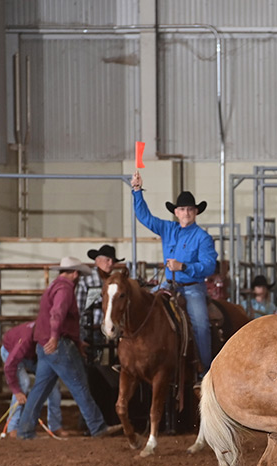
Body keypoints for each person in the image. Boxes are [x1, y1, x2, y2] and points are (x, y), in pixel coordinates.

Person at [16, 257, 119, 440]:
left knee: (40, 390)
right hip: (58, 345)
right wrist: (56, 338)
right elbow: (57, 315)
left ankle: (24, 430)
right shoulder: (65, 289)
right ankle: (98, 427)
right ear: (75, 273)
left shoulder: (55, 286)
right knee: (80, 385)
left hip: (44, 346)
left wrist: (72, 341)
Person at [130, 172, 218, 376]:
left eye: (189, 209)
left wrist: (184, 267)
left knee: (201, 325)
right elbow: (144, 217)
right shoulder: (167, 228)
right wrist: (136, 191)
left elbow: (209, 266)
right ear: (176, 212)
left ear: (195, 212)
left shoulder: (203, 238)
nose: (185, 212)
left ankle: (203, 371)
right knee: (145, 307)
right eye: (182, 209)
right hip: (168, 285)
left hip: (192, 288)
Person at [1, 321, 63, 438]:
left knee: (53, 384)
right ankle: (13, 427)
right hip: (10, 350)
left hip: (31, 354)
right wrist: (16, 391)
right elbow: (9, 365)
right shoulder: (24, 340)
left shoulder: (44, 334)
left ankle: (55, 426)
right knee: (23, 383)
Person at [75, 244, 122, 363]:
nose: (110, 263)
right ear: (97, 260)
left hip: (104, 328)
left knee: (98, 359)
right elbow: (79, 307)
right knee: (91, 360)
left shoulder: (112, 281)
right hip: (90, 329)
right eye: (107, 260)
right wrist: (79, 332)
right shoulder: (88, 279)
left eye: (112, 261)